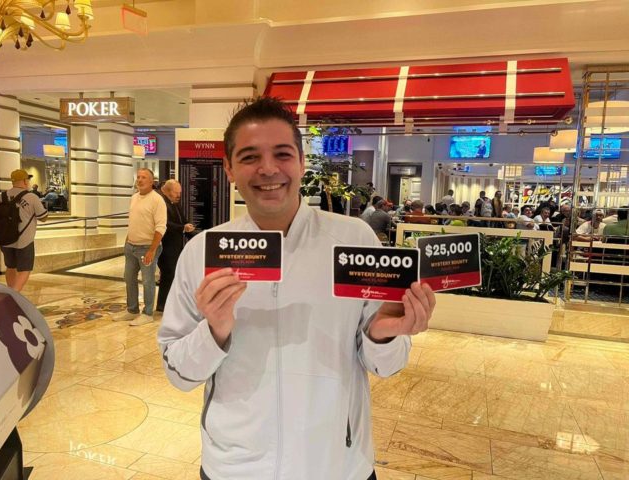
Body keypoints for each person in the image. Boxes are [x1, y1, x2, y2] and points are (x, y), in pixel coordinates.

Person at [157, 97, 435, 480]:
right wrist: (215, 331)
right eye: (250, 156)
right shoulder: (203, 253)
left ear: (302, 163)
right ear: (229, 168)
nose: (268, 169)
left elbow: (387, 366)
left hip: (336, 466)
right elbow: (179, 374)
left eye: (283, 154)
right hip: (233, 468)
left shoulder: (353, 240)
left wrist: (383, 336)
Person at [117, 168, 167, 326]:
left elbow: (161, 228)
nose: (139, 180)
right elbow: (133, 221)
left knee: (147, 281)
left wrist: (152, 250)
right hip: (131, 246)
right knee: (129, 278)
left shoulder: (157, 200)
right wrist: (127, 241)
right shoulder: (134, 198)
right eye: (138, 177)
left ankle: (148, 313)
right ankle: (132, 310)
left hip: (147, 247)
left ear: (152, 181)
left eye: (144, 177)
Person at [0, 169, 48, 292]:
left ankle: (11, 293)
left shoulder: (2, 196)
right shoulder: (31, 197)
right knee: (25, 269)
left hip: (5, 240)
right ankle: (15, 294)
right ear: (24, 181)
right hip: (24, 240)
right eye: (27, 180)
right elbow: (43, 217)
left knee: (10, 267)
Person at [156, 179, 195, 313]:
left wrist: (192, 232)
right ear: (167, 191)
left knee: (173, 275)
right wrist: (182, 228)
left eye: (179, 193)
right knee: (168, 274)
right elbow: (165, 224)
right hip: (166, 246)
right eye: (176, 192)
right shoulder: (161, 202)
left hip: (176, 246)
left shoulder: (175, 202)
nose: (179, 195)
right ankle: (162, 305)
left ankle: (169, 304)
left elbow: (182, 220)